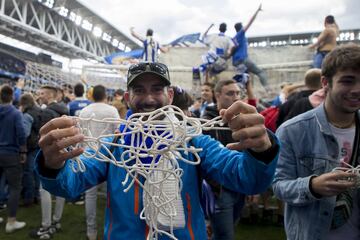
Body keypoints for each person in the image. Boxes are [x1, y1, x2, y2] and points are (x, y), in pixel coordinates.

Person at [36, 61, 280, 239]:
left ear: (170, 95)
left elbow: (246, 178)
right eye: (140, 90)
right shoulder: (113, 143)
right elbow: (69, 183)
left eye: (157, 89)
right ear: (128, 97)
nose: (149, 99)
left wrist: (261, 150)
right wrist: (52, 164)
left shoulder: (192, 140)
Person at [272, 44, 360, 240]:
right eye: (348, 81)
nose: (357, 90)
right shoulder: (293, 130)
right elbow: (278, 186)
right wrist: (313, 186)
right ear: (325, 83)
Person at [202, 79, 246, 240]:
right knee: (224, 236)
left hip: (239, 186)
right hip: (220, 190)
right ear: (217, 95)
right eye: (230, 93)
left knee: (227, 231)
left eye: (237, 93)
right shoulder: (206, 122)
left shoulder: (241, 120)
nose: (235, 97)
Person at [79, 84, 120, 240]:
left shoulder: (85, 111)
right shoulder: (111, 110)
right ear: (104, 95)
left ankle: (92, 232)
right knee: (112, 194)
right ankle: (109, 229)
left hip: (89, 155)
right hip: (107, 157)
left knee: (91, 195)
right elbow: (119, 134)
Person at [30, 85, 69, 239]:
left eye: (42, 93)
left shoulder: (46, 112)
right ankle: (56, 221)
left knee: (44, 189)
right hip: (65, 151)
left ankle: (46, 226)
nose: (40, 96)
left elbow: (42, 137)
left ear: (50, 95)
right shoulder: (64, 108)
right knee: (60, 189)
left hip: (49, 155)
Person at [0, 84, 27, 232]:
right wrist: (23, 152)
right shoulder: (16, 113)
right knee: (14, 187)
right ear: (12, 96)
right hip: (10, 154)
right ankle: (11, 221)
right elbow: (21, 134)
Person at [230, 4, 268, 88]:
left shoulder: (233, 38)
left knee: (245, 78)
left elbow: (231, 51)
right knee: (260, 72)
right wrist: (257, 11)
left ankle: (243, 93)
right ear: (241, 28)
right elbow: (250, 22)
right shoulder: (241, 33)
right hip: (243, 59)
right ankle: (268, 90)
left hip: (236, 62)